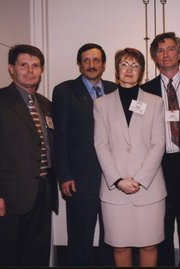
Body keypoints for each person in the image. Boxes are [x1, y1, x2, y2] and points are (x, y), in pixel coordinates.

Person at [0, 44, 58, 266]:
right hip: (6, 199)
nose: (30, 70)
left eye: (35, 65)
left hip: (42, 193)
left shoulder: (46, 104)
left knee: (37, 255)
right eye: (24, 65)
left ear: (41, 70)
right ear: (11, 68)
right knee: (6, 258)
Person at [94, 48, 166, 267]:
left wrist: (140, 179)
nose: (129, 70)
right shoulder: (101, 104)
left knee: (149, 245)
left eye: (135, 66)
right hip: (114, 190)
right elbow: (100, 145)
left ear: (141, 72)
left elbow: (158, 144)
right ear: (116, 70)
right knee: (120, 245)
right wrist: (118, 180)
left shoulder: (155, 103)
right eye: (124, 64)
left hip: (148, 188)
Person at [141, 32, 180, 266]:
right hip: (159, 168)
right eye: (159, 50)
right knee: (162, 227)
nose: (165, 54)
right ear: (154, 58)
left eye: (170, 49)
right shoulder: (144, 91)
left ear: (179, 53)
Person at [52, 43, 117, 266]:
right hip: (79, 179)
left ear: (104, 64)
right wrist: (64, 175)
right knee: (81, 238)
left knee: (112, 237)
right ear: (79, 64)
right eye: (86, 60)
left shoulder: (114, 89)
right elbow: (59, 137)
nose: (91, 65)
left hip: (112, 178)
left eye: (96, 60)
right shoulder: (64, 91)